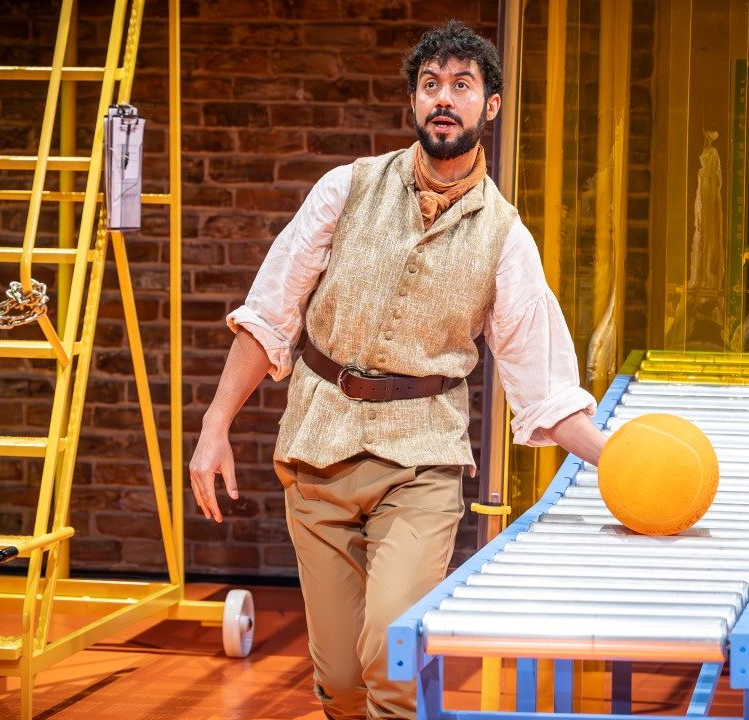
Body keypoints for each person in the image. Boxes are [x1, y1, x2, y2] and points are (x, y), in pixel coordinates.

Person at [188, 20, 608, 720]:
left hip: (422, 464)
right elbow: (269, 314)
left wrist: (617, 460)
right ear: (415, 103)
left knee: (392, 655)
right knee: (344, 682)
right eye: (431, 85)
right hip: (316, 452)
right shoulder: (345, 189)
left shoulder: (506, 238)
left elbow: (545, 390)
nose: (445, 98)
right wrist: (215, 425)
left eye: (462, 86)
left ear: (490, 106)